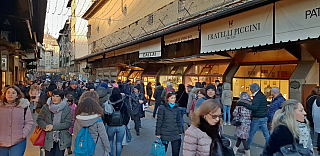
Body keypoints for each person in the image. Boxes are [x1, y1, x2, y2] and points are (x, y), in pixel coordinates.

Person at [37, 89, 72, 156]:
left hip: (61, 137)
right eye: (53, 96)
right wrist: (45, 126)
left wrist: (53, 127)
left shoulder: (66, 108)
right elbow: (39, 119)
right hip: (48, 136)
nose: (54, 98)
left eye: (57, 96)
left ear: (61, 98)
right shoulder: (46, 107)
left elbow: (68, 123)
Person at [0, 86, 33, 156]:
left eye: (13, 93)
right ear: (5, 94)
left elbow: (29, 122)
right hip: (1, 141)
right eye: (8, 92)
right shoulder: (1, 107)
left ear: (17, 95)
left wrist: (23, 134)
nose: (10, 95)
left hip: (18, 141)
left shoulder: (23, 107)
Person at [237, 83, 270, 151]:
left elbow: (254, 108)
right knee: (266, 135)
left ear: (254, 89)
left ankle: (246, 148)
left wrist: (243, 104)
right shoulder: (262, 96)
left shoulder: (257, 97)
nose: (250, 90)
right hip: (264, 117)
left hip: (257, 118)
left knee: (251, 134)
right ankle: (270, 147)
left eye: (251, 89)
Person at [105, 88, 130, 156]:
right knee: (119, 143)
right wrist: (124, 124)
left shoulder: (109, 102)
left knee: (110, 141)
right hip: (121, 125)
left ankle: (111, 155)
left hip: (110, 125)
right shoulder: (123, 102)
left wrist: (107, 122)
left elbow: (105, 115)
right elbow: (127, 114)